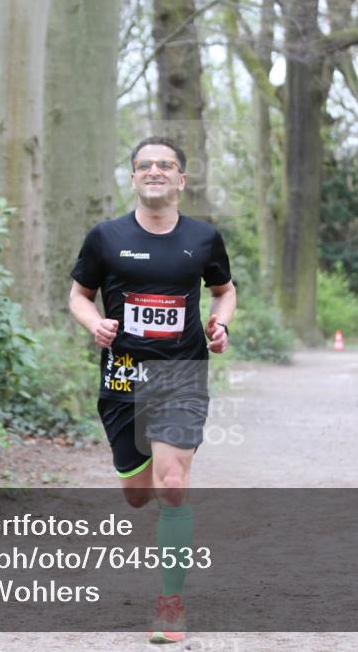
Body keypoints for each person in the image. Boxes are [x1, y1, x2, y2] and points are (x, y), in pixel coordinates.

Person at [69, 136, 236, 644]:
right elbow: (79, 294)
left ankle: (170, 604)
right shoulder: (105, 237)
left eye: (166, 165)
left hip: (181, 374)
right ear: (134, 177)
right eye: (146, 165)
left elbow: (224, 290)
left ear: (181, 180)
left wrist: (220, 323)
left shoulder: (204, 238)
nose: (156, 171)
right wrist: (92, 323)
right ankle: (134, 477)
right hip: (122, 377)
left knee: (172, 486)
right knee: (139, 496)